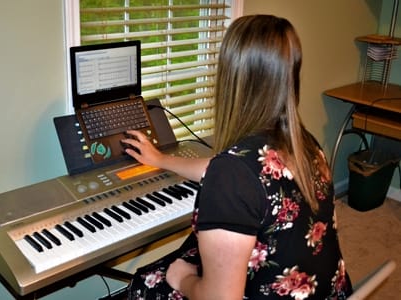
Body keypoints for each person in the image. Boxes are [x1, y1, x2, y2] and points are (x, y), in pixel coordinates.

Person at [121, 14, 353, 300]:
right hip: (327, 294)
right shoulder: (305, 144)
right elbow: (231, 172)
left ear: (232, 79)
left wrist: (184, 280)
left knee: (146, 282)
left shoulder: (232, 175)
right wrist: (160, 159)